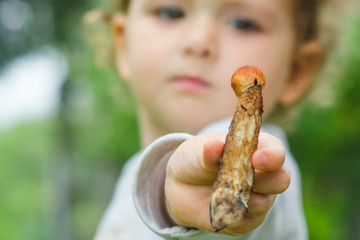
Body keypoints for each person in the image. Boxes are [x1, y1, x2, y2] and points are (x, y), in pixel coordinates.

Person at [90, 0, 328, 239]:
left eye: (242, 24)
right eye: (171, 12)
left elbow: (245, 204)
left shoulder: (266, 161)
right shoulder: (129, 176)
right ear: (122, 44)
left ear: (297, 71)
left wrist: (181, 204)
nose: (198, 41)